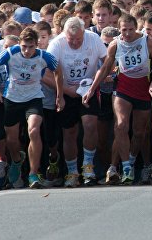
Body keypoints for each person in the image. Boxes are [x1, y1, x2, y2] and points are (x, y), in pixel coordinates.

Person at [84, 15, 152, 185]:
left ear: (136, 28)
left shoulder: (147, 42)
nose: (127, 34)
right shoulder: (115, 44)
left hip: (143, 89)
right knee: (120, 125)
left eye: (130, 30)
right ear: (119, 29)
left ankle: (131, 161)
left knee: (139, 133)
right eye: (123, 30)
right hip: (123, 88)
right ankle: (125, 167)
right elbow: (105, 67)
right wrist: (91, 90)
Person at [0, 27, 64, 189]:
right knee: (12, 140)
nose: (27, 51)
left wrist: (59, 95)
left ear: (37, 45)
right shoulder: (11, 53)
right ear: (19, 44)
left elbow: (58, 70)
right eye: (24, 47)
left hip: (33, 98)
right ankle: (17, 161)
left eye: (31, 47)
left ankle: (33, 173)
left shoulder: (44, 56)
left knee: (33, 130)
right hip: (12, 98)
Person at [46, 17, 108, 187]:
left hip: (88, 88)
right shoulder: (56, 44)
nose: (74, 43)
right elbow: (45, 74)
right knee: (69, 132)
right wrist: (66, 91)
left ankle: (88, 166)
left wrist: (95, 84)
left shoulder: (93, 39)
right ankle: (72, 171)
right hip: (66, 90)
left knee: (89, 124)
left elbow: (107, 61)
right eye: (70, 39)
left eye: (78, 39)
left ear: (84, 33)